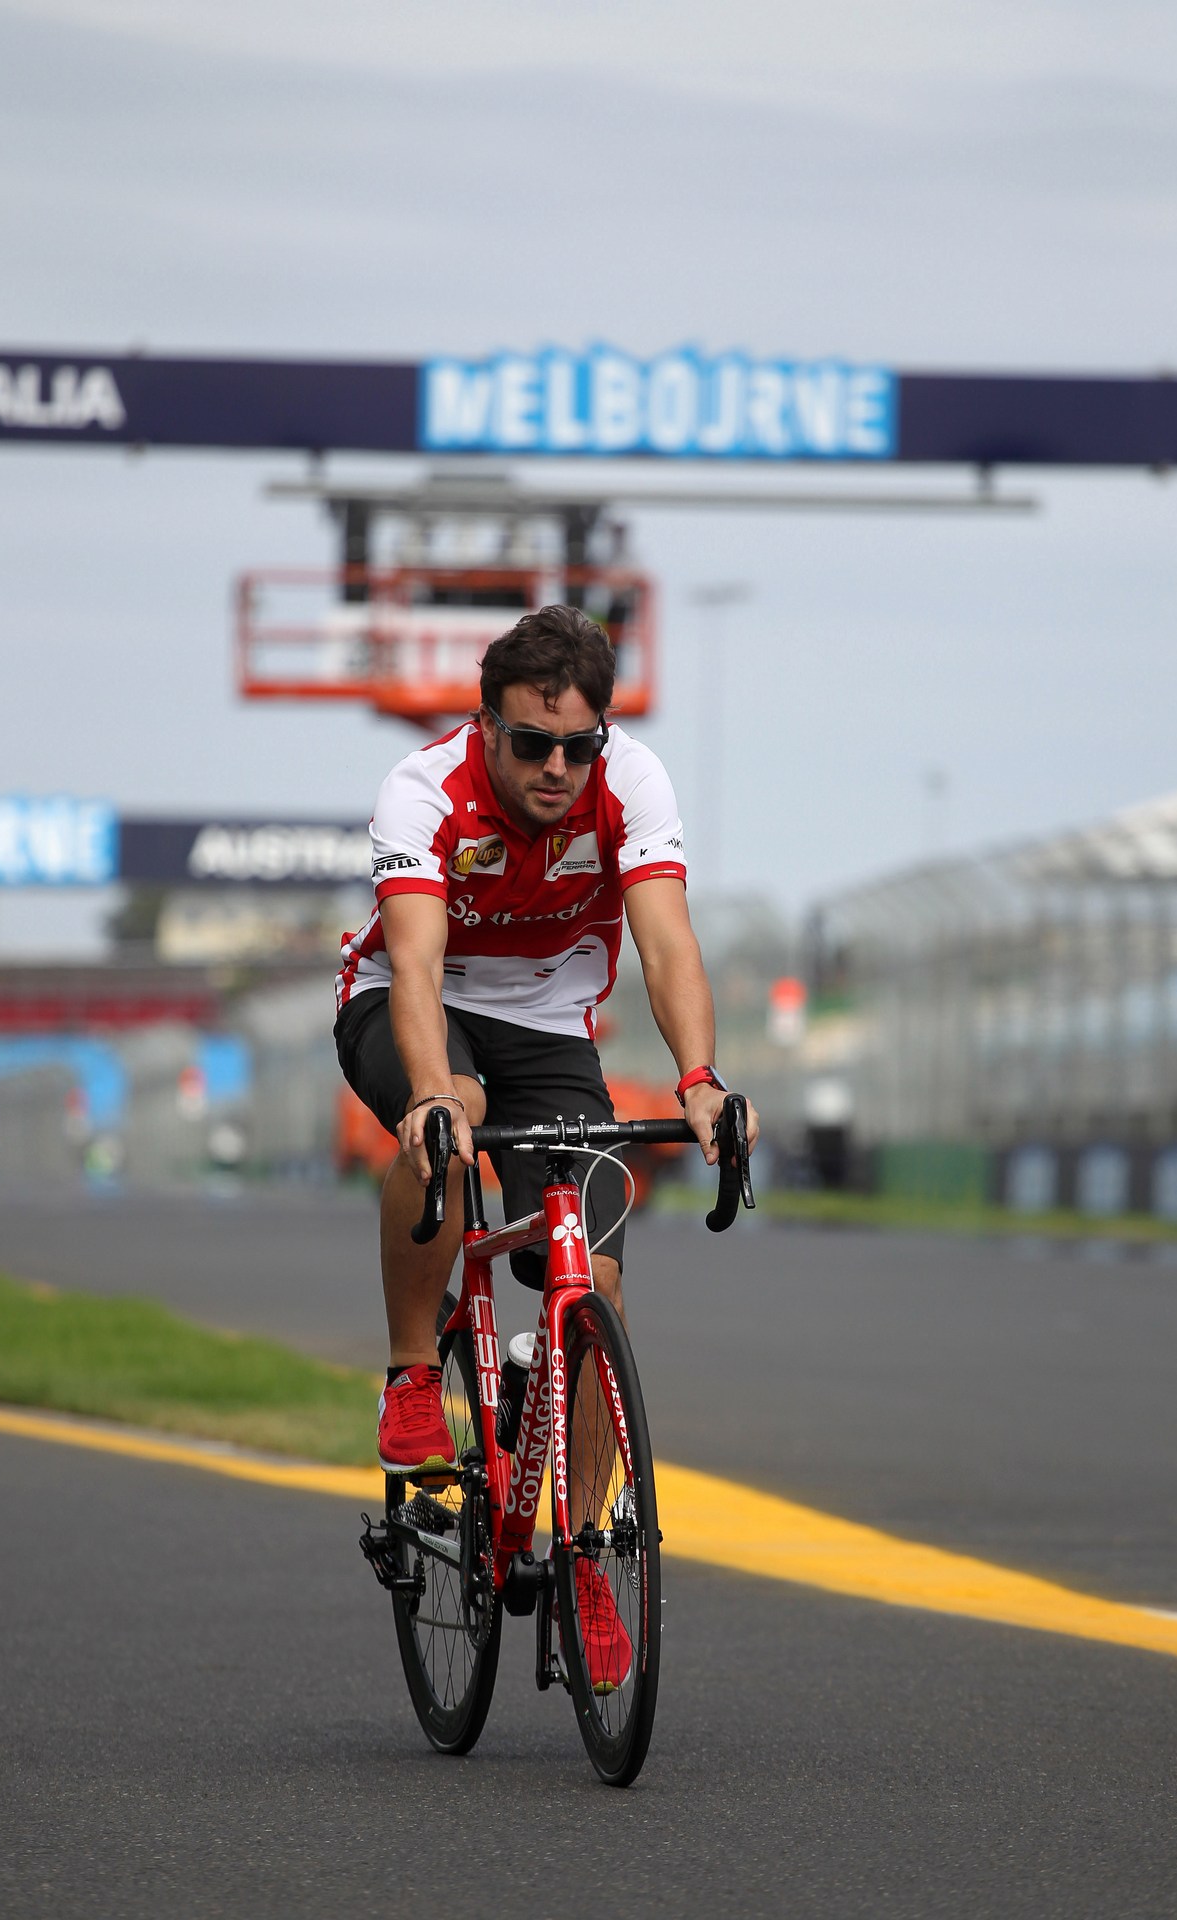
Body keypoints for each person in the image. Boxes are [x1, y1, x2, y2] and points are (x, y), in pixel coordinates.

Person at [334, 604, 758, 1676]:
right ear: (486, 727)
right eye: (533, 743)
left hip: (546, 1024)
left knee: (595, 1282)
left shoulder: (634, 784)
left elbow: (664, 944)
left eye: (581, 745)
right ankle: (410, 1378)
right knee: (451, 1119)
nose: (559, 767)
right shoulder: (424, 789)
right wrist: (435, 1096)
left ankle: (578, 1555)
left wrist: (700, 1081)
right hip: (409, 1003)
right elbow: (419, 967)